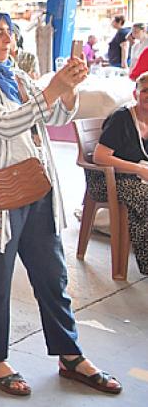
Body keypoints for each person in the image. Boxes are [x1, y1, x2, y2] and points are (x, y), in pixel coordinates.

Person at [0, 10, 121, 397]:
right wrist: (53, 88)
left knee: (52, 274)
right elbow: (6, 123)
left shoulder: (16, 75)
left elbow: (57, 113)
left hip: (37, 187)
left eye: (9, 33)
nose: (7, 40)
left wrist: (68, 87)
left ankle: (70, 354)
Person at [89, 72, 148, 276]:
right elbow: (100, 156)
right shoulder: (122, 118)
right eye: (145, 91)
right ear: (135, 93)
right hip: (109, 179)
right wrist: (139, 169)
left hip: (138, 179)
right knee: (145, 199)